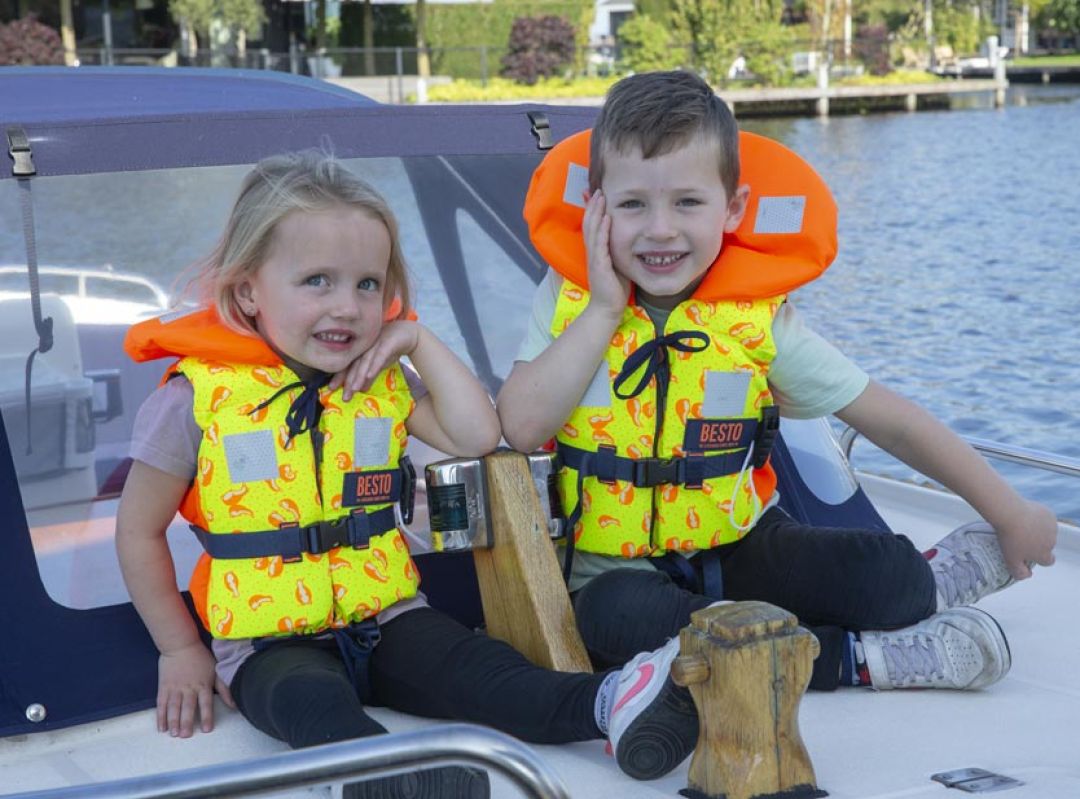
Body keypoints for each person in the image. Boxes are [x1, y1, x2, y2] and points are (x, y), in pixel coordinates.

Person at [116, 151, 706, 798]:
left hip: (389, 616)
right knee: (312, 705)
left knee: (484, 672)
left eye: (368, 284)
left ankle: (612, 703)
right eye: (317, 280)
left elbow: (478, 434)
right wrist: (180, 649)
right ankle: (387, 779)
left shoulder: (383, 380)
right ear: (249, 289)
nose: (347, 306)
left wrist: (418, 341)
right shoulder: (193, 400)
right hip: (265, 646)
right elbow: (139, 532)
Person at [496, 71, 1058, 694]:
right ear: (598, 208)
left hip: (741, 547)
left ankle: (925, 588)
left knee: (887, 575)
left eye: (687, 202)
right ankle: (865, 661)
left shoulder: (759, 319)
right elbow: (521, 426)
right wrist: (603, 310)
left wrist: (1009, 511)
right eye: (632, 205)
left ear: (733, 207)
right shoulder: (569, 300)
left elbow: (889, 420)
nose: (659, 230)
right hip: (614, 574)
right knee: (614, 622)